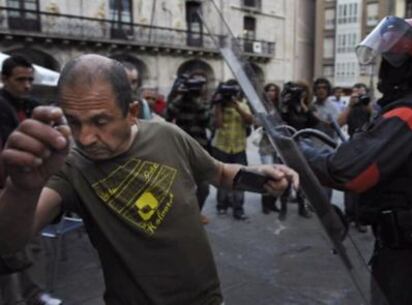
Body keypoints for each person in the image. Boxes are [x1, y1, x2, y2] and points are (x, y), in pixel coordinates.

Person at [0, 54, 297, 305]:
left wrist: (261, 177)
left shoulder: (167, 135)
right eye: (74, 121)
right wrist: (23, 188)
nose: (85, 137)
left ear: (131, 112)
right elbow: (9, 242)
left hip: (205, 296)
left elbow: (219, 172)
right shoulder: (69, 167)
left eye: (100, 121)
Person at [297, 16, 412, 305]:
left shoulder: (407, 113)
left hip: (405, 254)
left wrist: (296, 150)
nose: (385, 69)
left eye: (391, 60)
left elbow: (347, 172)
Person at [0, 55, 62, 305]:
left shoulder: (29, 105)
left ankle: (33, 294)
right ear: (4, 79)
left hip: (29, 187)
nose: (26, 85)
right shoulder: (2, 106)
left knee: (27, 248)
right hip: (7, 187)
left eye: (30, 80)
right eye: (20, 80)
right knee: (8, 253)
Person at [165, 73, 211, 223]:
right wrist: (180, 97)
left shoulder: (202, 102)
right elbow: (168, 115)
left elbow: (206, 121)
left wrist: (196, 101)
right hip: (181, 150)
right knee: (181, 186)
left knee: (204, 188)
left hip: (199, 150)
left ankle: (195, 213)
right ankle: (182, 216)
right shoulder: (179, 101)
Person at [210, 79, 254, 220]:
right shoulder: (218, 107)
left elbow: (249, 120)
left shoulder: (243, 105)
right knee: (222, 178)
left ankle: (238, 209)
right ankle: (222, 205)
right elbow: (217, 125)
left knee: (240, 180)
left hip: (239, 148)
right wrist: (218, 106)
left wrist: (237, 107)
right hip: (221, 147)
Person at [278, 81, 319, 220]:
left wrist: (302, 103)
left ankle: (302, 208)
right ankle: (283, 208)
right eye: (298, 90)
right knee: (285, 177)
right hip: (287, 146)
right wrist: (285, 104)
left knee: (302, 179)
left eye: (302, 90)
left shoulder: (307, 107)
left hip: (303, 147)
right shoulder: (287, 106)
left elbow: (314, 123)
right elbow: (280, 120)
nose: (299, 93)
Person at [338, 82, 372, 233]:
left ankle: (361, 218)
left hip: (368, 145)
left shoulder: (370, 106)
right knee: (349, 180)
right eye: (356, 93)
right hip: (352, 144)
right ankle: (349, 214)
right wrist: (351, 105)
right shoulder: (350, 107)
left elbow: (375, 120)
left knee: (365, 182)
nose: (359, 96)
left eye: (361, 93)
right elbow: (339, 122)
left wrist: (366, 103)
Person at [257, 83, 282, 215]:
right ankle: (265, 204)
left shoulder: (280, 107)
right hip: (266, 145)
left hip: (279, 146)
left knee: (277, 176)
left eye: (274, 90)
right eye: (269, 90)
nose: (272, 93)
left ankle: (272, 202)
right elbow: (256, 122)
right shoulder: (260, 107)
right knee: (267, 175)